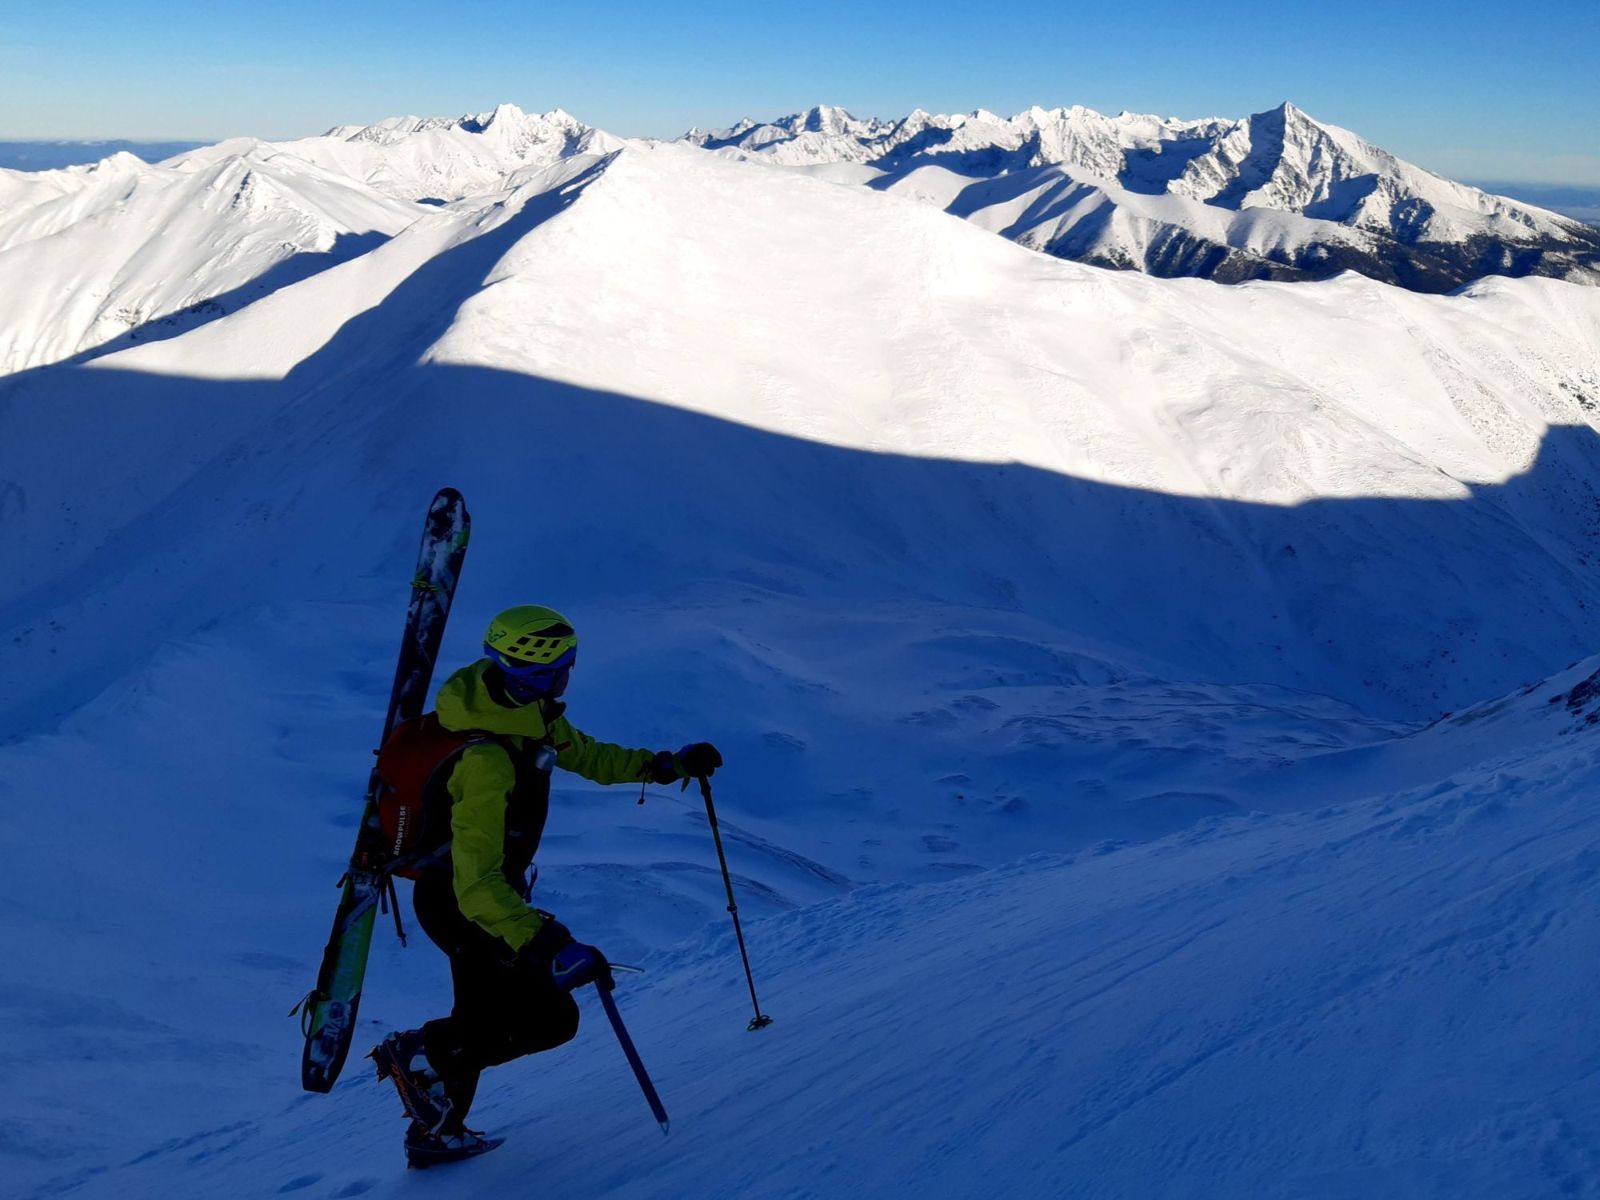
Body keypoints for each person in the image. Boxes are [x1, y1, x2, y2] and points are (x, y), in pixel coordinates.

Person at [370, 604, 721, 1167]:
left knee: (481, 1018)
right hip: (468, 904)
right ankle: (416, 1054)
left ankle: (436, 1130)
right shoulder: (487, 760)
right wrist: (547, 942)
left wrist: (666, 766)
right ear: (532, 671)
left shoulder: (528, 715)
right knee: (548, 1020)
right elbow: (477, 884)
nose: (567, 675)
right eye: (560, 666)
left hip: (485, 900)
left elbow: (590, 756)